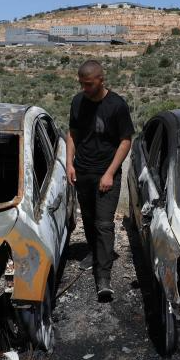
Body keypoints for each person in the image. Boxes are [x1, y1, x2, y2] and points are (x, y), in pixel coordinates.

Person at [66, 59, 134, 302]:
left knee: (104, 224)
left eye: (89, 84)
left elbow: (126, 141)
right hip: (82, 172)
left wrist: (109, 173)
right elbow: (72, 133)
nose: (85, 88)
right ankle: (94, 252)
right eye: (82, 84)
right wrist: (69, 163)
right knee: (88, 218)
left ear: (101, 80)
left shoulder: (116, 106)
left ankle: (103, 277)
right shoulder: (78, 101)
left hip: (106, 174)